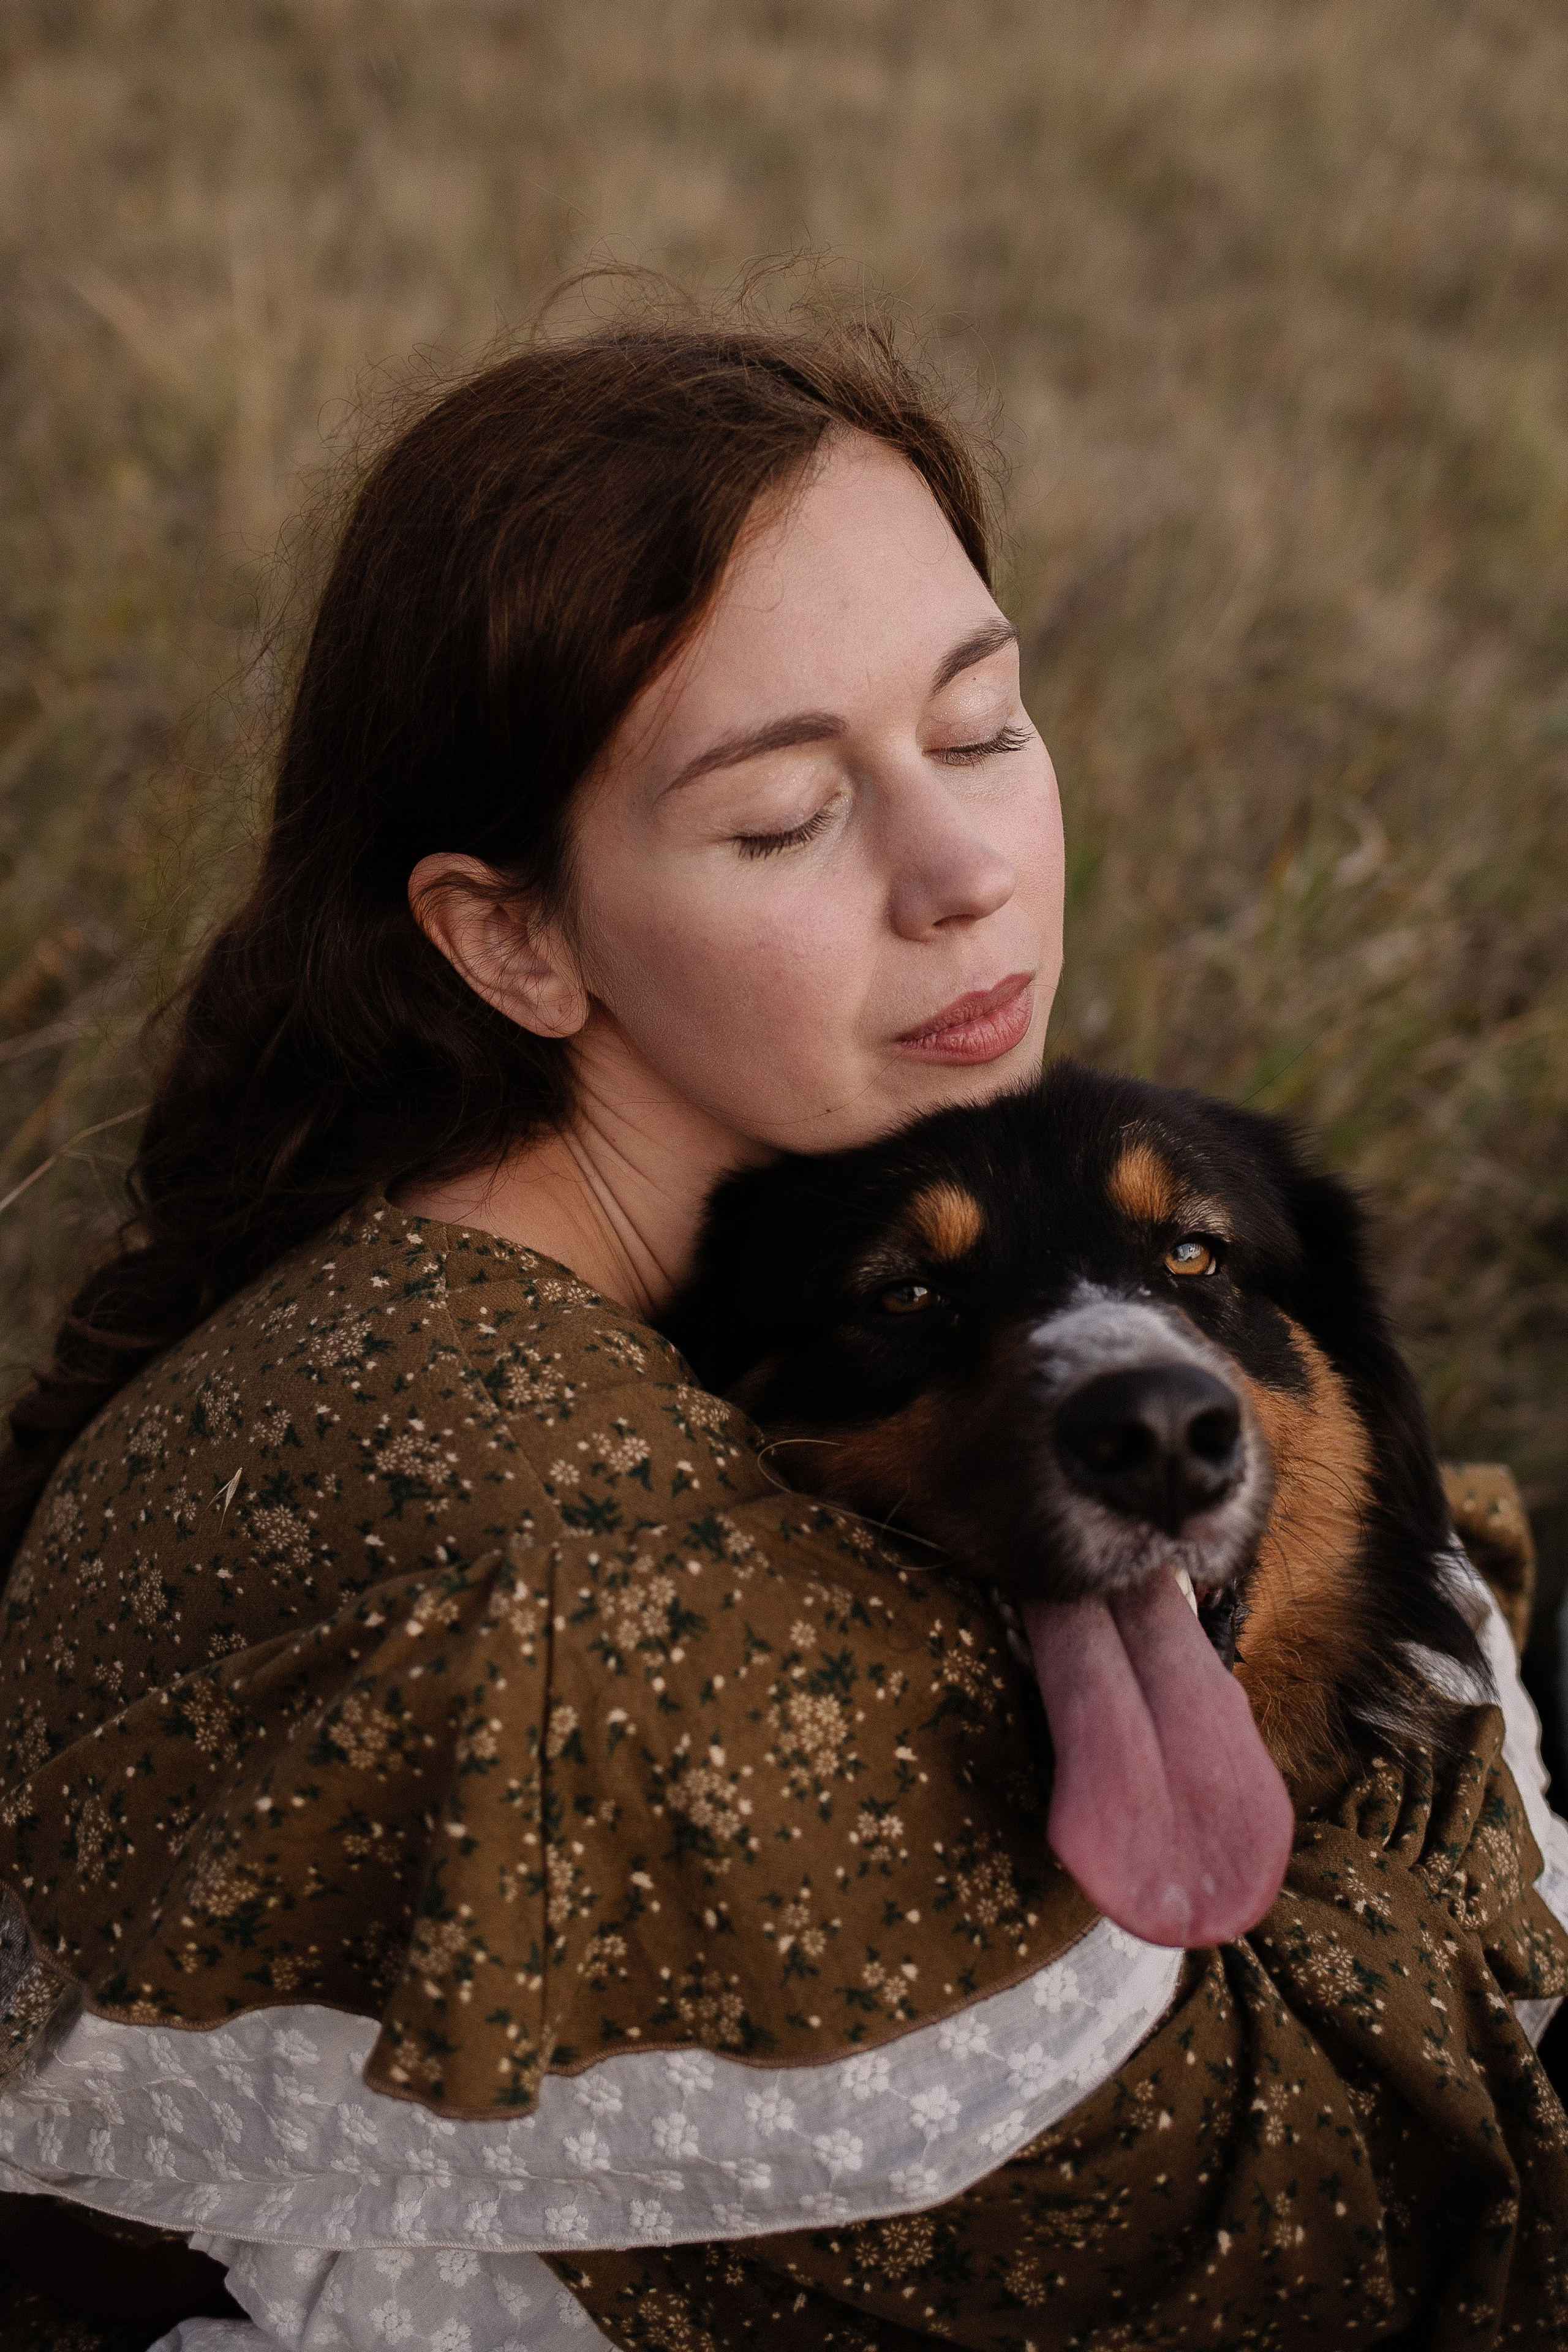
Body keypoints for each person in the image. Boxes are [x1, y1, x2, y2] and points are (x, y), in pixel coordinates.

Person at [0, 295, 1564, 2352]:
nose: (966, 873)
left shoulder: (482, 1260)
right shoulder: (621, 1609)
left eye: (984, 724)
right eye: (782, 815)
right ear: (511, 936)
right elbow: (1330, 2238)